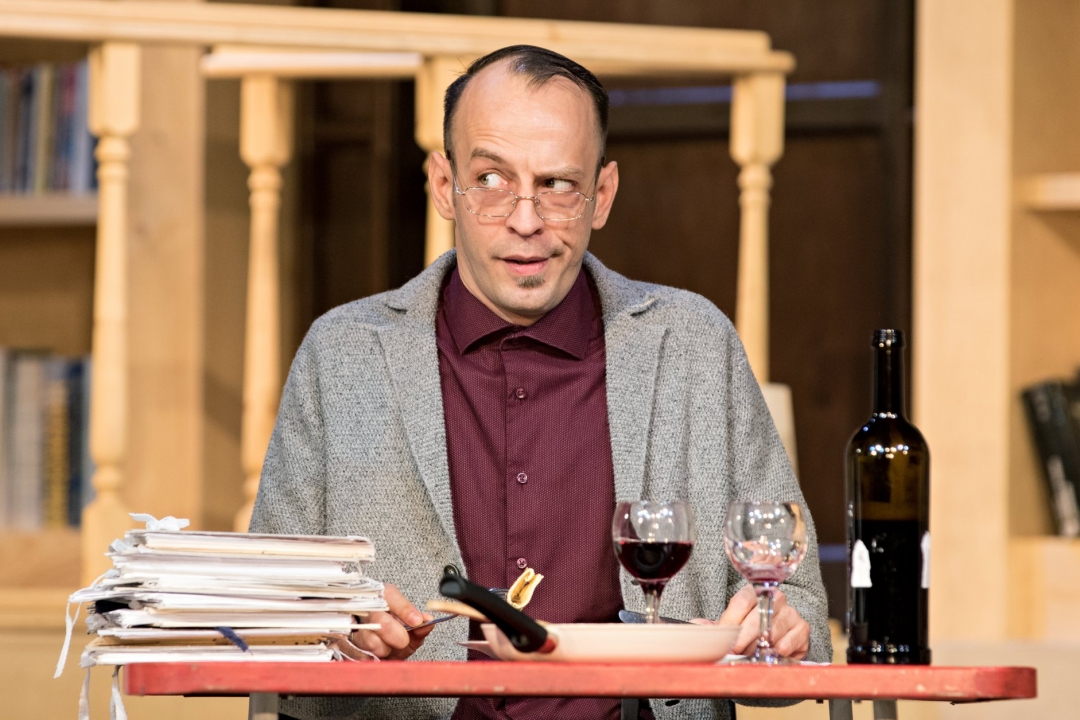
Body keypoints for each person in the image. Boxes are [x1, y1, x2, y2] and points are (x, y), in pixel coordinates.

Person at [252, 45, 831, 720]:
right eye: (491, 179)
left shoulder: (695, 346)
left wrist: (777, 635)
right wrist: (336, 634)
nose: (525, 220)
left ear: (601, 196)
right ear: (443, 185)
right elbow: (265, 628)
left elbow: (803, 620)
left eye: (557, 184)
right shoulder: (340, 355)